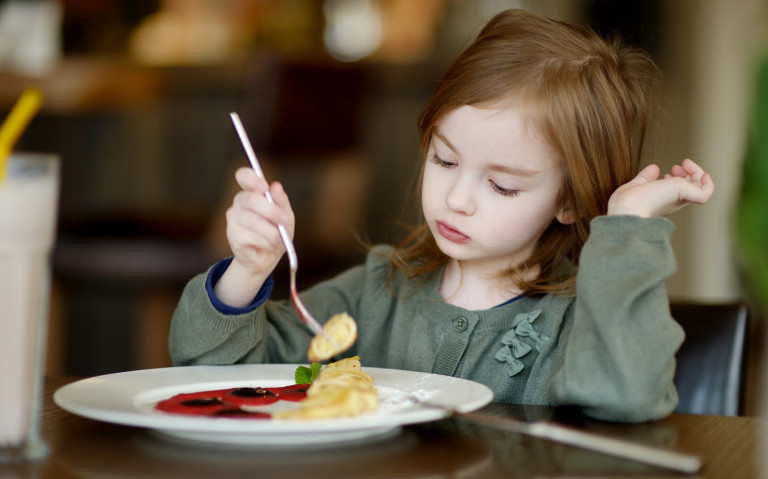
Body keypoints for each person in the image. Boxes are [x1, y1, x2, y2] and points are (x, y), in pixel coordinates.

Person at [169, 9, 714, 423]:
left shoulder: (573, 325)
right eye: (445, 159)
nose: (457, 198)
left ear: (569, 201)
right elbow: (216, 376)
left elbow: (627, 396)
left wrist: (626, 226)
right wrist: (248, 269)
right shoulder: (375, 294)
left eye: (501, 185)